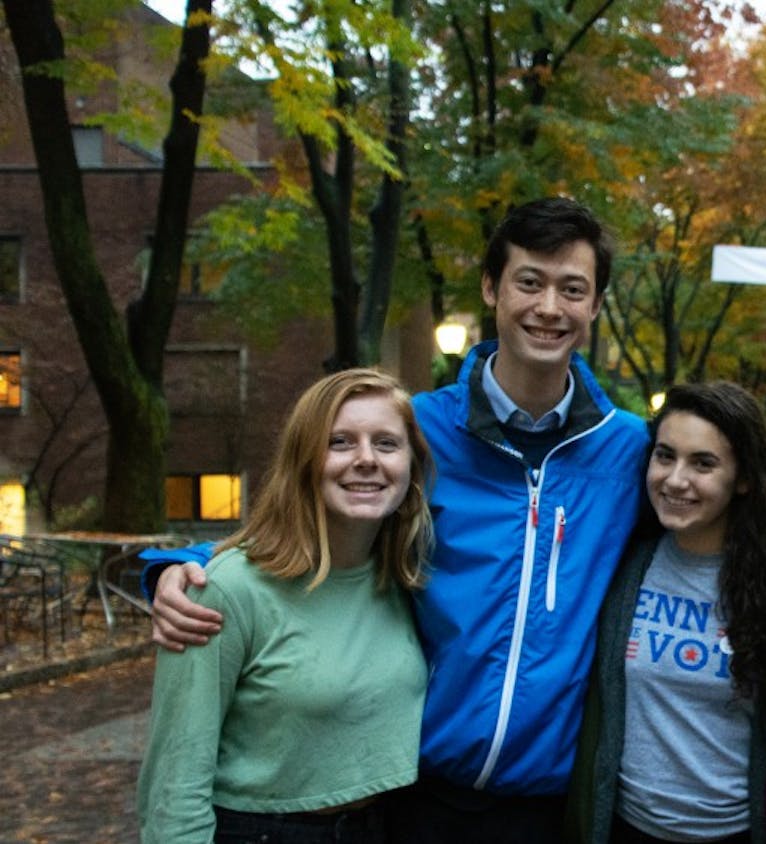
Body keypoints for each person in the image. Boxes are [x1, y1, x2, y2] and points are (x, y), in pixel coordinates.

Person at [148, 197, 650, 842]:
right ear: (492, 288)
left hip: (557, 802)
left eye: (572, 289)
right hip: (414, 793)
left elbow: (700, 536)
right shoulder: (416, 430)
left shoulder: (629, 451)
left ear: (595, 304)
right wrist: (180, 567)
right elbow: (317, 515)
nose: (549, 307)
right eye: (529, 282)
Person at [137, 367, 433, 843]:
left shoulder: (404, 578)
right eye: (340, 442)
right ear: (303, 460)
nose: (365, 460)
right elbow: (174, 784)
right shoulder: (225, 590)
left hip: (381, 825)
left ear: (412, 467)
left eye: (385, 443)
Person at [565, 381, 766, 844]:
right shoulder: (624, 564)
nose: (674, 479)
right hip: (626, 827)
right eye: (665, 455)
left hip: (733, 832)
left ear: (743, 478)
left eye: (703, 463)